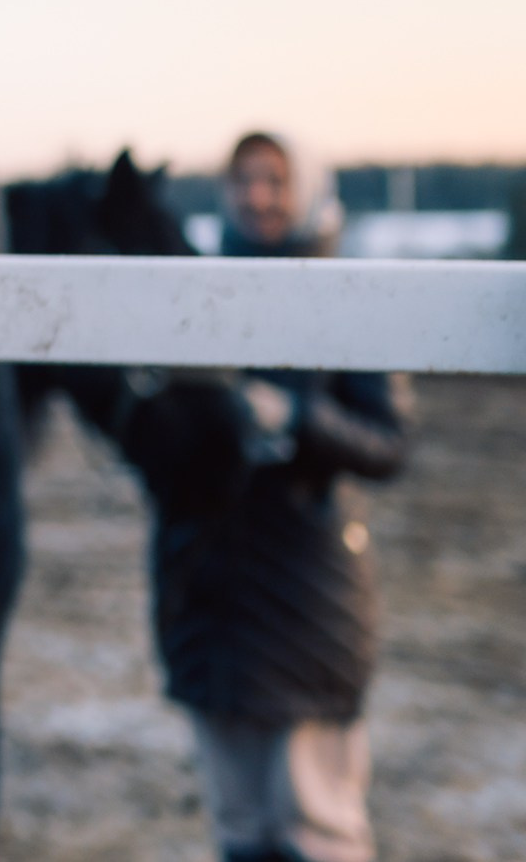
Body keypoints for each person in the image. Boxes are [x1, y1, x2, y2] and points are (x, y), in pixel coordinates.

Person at [108, 130, 414, 862]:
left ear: (304, 189)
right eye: (243, 179)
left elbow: (389, 444)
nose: (257, 196)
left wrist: (298, 418)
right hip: (206, 594)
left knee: (318, 828)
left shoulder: (348, 301)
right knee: (239, 827)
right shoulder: (198, 295)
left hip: (305, 600)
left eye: (275, 180)